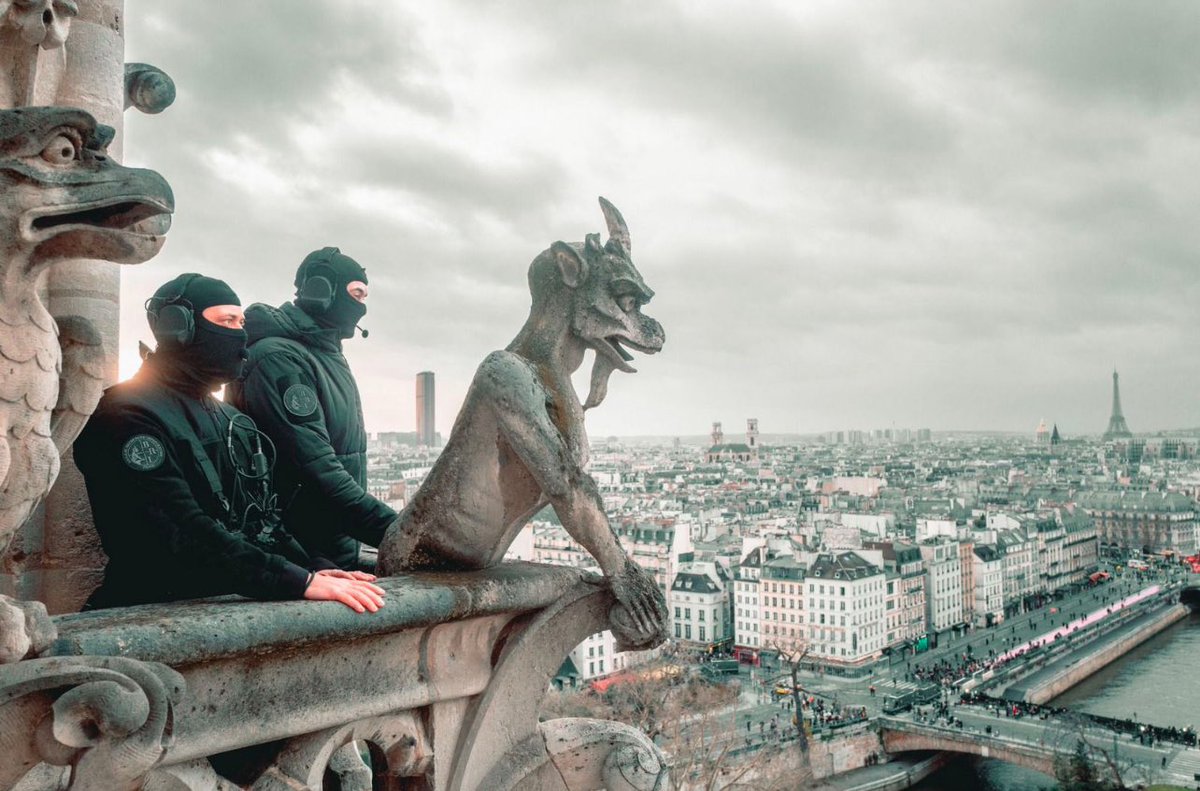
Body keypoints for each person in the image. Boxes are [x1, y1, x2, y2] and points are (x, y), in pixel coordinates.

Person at [75, 274, 384, 613]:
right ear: (177, 327)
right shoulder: (125, 415)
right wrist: (298, 581)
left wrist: (313, 565)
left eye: (241, 322)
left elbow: (263, 521)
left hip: (220, 601)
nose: (240, 334)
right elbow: (181, 532)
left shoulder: (227, 417)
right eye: (226, 321)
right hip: (149, 609)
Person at [227, 247, 394, 570]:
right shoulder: (279, 359)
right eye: (356, 293)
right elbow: (316, 470)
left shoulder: (321, 354)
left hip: (331, 544)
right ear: (322, 291)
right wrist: (402, 533)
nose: (362, 306)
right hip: (301, 554)